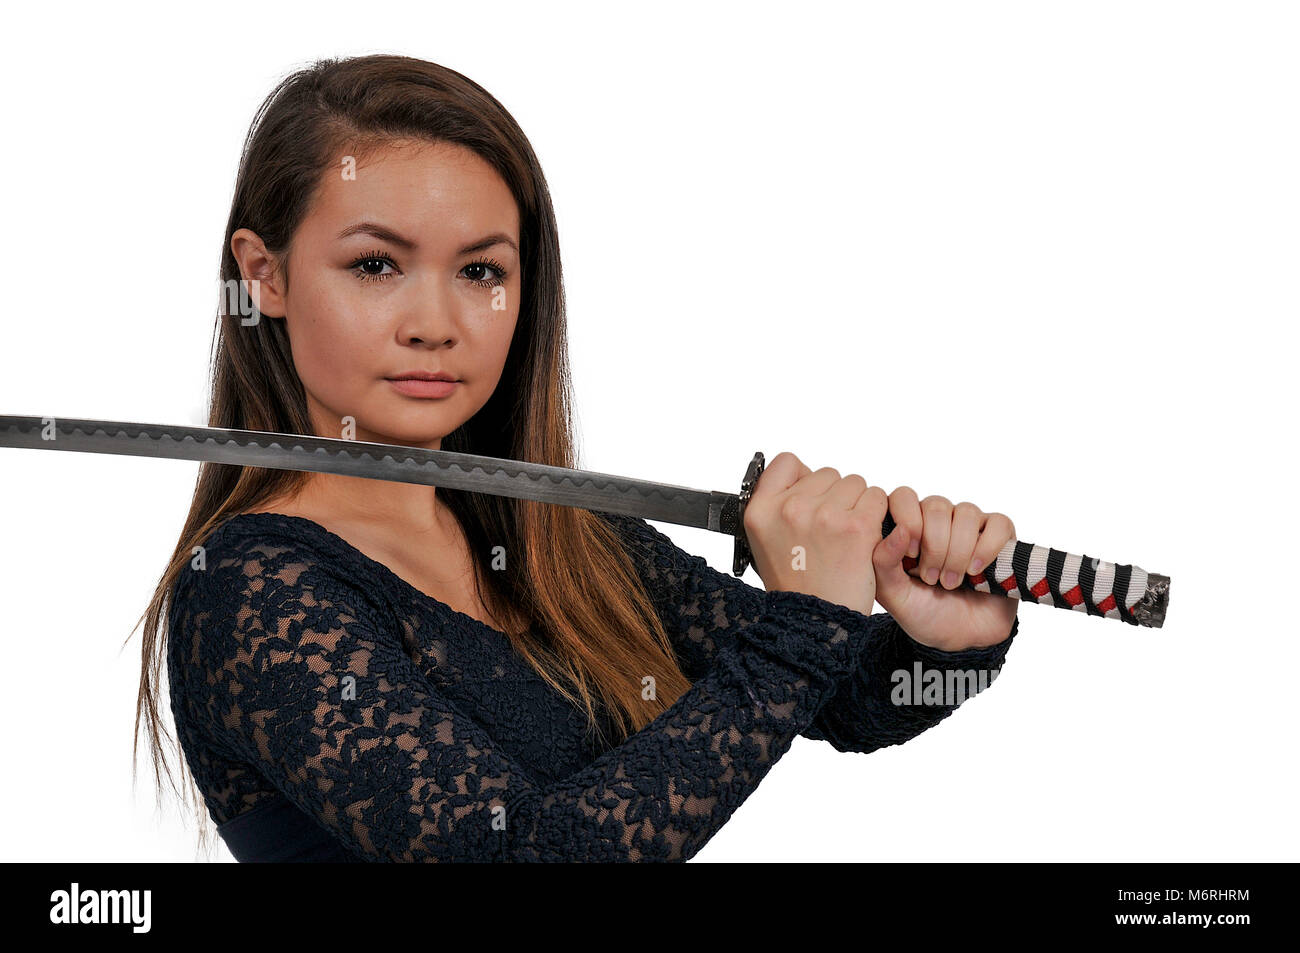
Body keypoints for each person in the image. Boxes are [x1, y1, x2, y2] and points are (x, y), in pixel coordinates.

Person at [132, 54, 1020, 863]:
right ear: (265, 275)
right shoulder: (245, 588)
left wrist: (941, 635)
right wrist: (806, 615)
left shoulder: (560, 530)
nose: (435, 322)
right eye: (375, 264)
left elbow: (840, 695)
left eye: (481, 271)